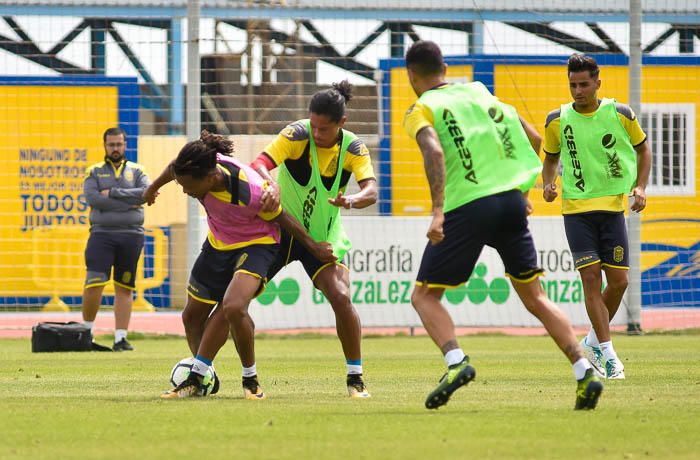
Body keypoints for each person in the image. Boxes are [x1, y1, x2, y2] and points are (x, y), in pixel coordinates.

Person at [403, 40, 603, 410]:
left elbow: (432, 151)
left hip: (467, 206)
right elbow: (537, 138)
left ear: (411, 75)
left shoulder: (421, 108)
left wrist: (437, 210)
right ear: (444, 67)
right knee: (536, 297)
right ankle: (583, 370)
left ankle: (456, 363)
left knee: (424, 296)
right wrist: (523, 189)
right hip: (511, 202)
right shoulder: (481, 93)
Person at [144, 131, 334, 399]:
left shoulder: (249, 190)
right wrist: (154, 187)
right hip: (220, 243)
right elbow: (174, 169)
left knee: (232, 305)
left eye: (188, 187)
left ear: (210, 179)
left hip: (258, 244)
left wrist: (313, 246)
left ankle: (248, 380)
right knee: (191, 316)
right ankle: (205, 377)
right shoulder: (193, 167)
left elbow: (282, 218)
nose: (185, 190)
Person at [250, 80, 377, 398]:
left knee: (341, 297)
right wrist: (271, 183)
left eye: (324, 129)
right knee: (236, 300)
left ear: (342, 124)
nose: (316, 133)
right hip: (278, 231)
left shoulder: (352, 148)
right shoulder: (296, 134)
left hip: (321, 239)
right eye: (313, 125)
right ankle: (203, 370)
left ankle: (355, 377)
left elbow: (371, 190)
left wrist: (351, 200)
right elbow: (259, 164)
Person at [542, 53, 652, 379]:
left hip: (613, 209)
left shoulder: (620, 114)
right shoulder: (556, 120)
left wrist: (641, 187)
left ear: (598, 83)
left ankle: (591, 341)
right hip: (576, 211)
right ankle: (608, 354)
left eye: (584, 84)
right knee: (591, 278)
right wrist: (549, 183)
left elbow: (643, 148)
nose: (578, 91)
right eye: (573, 85)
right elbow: (549, 158)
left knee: (619, 282)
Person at [82, 127, 149, 351]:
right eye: (111, 145)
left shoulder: (139, 170)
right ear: (104, 146)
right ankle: (85, 334)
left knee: (125, 286)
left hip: (131, 235)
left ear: (125, 145)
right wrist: (130, 201)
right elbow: (93, 199)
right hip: (101, 234)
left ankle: (120, 338)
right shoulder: (94, 171)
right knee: (94, 283)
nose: (115, 148)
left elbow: (146, 194)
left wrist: (111, 193)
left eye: (119, 144)